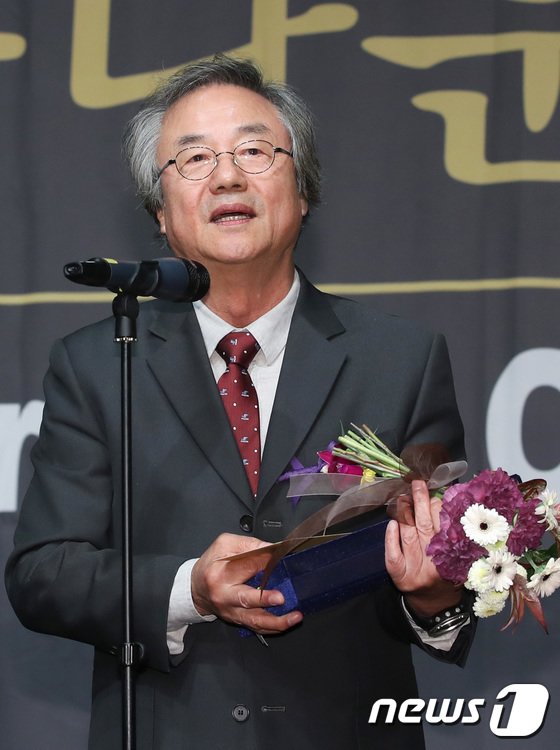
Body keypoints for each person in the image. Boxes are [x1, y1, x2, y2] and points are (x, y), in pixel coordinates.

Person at [6, 55, 474, 749]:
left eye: (255, 151)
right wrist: (190, 588)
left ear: (303, 190)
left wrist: (434, 591)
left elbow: (449, 580)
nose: (227, 176)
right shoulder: (99, 363)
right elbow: (43, 575)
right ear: (161, 213)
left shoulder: (402, 358)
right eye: (194, 158)